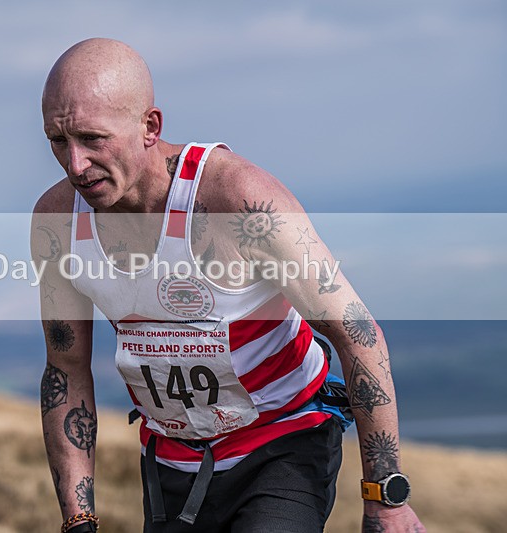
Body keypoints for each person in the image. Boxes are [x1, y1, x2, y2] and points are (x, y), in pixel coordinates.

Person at [32, 38, 425, 533]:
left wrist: (385, 498)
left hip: (283, 440)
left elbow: (357, 333)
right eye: (57, 141)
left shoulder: (237, 199)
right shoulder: (56, 221)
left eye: (93, 139)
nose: (75, 165)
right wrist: (78, 520)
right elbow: (65, 369)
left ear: (149, 127)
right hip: (172, 460)